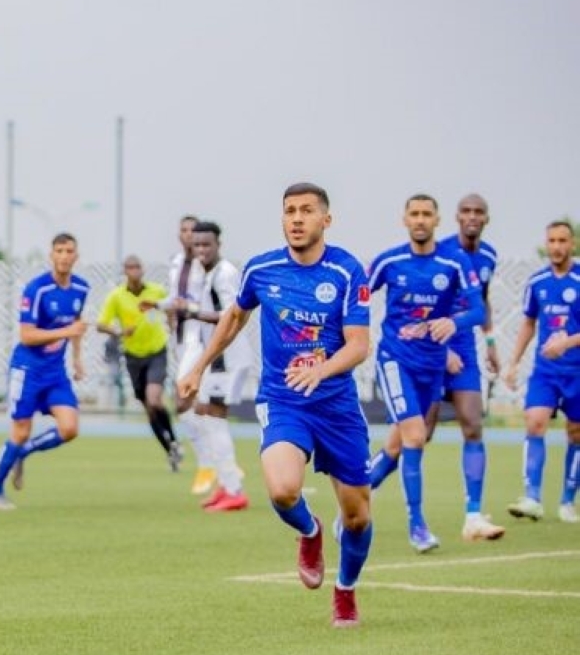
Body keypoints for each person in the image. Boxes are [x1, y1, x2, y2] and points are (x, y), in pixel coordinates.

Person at [178, 182, 373, 627]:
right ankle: (310, 532)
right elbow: (234, 318)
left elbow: (359, 345)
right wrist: (199, 368)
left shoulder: (346, 273)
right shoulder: (261, 269)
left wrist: (321, 370)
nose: (297, 219)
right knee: (283, 490)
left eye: (307, 211)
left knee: (358, 518)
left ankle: (345, 590)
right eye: (290, 211)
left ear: (327, 219)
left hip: (337, 406)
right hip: (285, 400)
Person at [367, 194, 505, 541]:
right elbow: (358, 296)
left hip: (439, 354)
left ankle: (472, 515)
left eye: (426, 214)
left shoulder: (466, 261)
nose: (420, 220)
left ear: (437, 219)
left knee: (465, 426)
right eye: (414, 213)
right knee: (416, 436)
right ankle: (416, 525)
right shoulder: (392, 261)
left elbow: (478, 308)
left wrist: (468, 332)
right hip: (401, 359)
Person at [0, 233, 88, 511]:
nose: (65, 256)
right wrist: (68, 332)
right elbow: (27, 335)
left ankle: (25, 453)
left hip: (56, 372)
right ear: (51, 255)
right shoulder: (37, 289)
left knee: (69, 428)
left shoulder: (81, 288)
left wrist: (77, 359)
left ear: (76, 256)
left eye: (69, 251)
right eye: (59, 251)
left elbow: (77, 325)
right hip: (27, 369)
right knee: (20, 431)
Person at [154, 221, 250, 511]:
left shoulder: (225, 274)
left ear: (219, 244)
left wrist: (193, 312)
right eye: (197, 245)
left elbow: (233, 314)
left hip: (228, 357)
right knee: (203, 413)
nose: (201, 250)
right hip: (214, 356)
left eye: (207, 245)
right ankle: (226, 483)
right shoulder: (205, 274)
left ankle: (233, 489)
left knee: (214, 417)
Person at [503, 220, 580, 524]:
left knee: (575, 433)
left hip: (577, 371)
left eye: (563, 240)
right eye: (552, 240)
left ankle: (567, 501)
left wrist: (568, 342)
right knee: (534, 422)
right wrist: (513, 363)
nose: (557, 246)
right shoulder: (536, 282)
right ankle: (532, 496)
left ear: (572, 243)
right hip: (545, 372)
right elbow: (528, 324)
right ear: (546, 244)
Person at [97, 255, 182, 470]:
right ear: (125, 271)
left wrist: (172, 326)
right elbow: (101, 324)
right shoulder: (117, 296)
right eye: (129, 268)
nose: (134, 271)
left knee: (154, 399)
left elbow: (170, 308)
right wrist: (119, 331)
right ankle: (170, 450)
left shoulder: (156, 291)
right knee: (148, 409)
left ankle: (173, 438)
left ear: (142, 270)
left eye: (137, 267)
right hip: (133, 355)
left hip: (156, 351)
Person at [168, 215, 216, 494]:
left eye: (192, 231)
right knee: (191, 404)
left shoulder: (208, 267)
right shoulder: (176, 264)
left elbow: (206, 303)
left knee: (186, 399)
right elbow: (176, 299)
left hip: (202, 339)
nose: (188, 235)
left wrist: (191, 307)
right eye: (183, 230)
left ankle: (209, 462)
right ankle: (216, 462)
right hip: (182, 339)